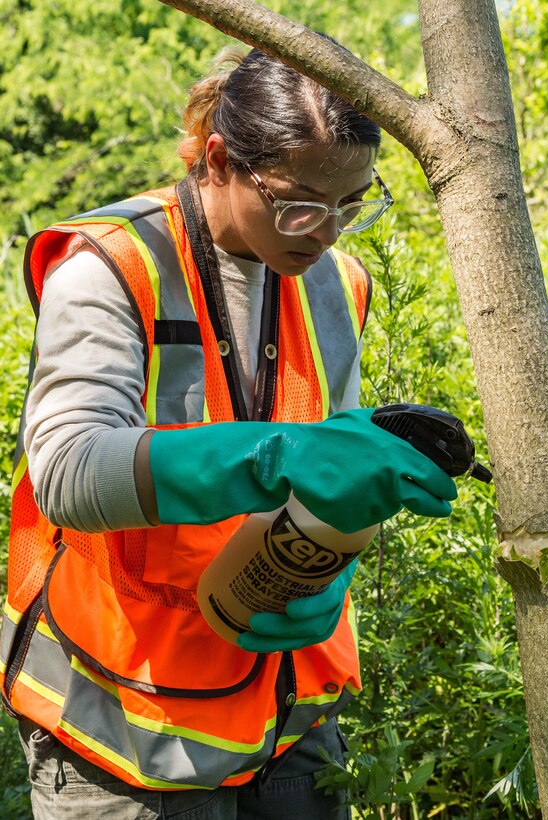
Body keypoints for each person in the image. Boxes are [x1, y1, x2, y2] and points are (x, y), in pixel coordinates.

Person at [0, 45, 457, 819]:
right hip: (122, 711)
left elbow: (320, 472)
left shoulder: (338, 285)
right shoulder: (111, 264)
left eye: (351, 203)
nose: (325, 233)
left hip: (283, 700)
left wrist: (330, 545)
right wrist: (280, 455)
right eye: (300, 201)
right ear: (218, 158)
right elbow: (71, 473)